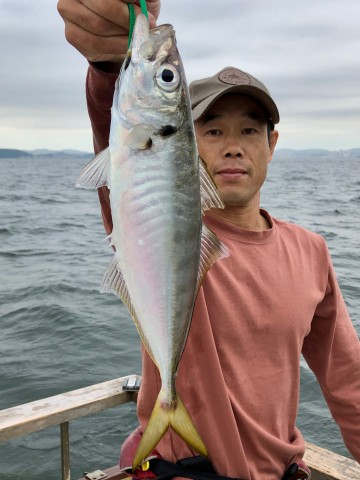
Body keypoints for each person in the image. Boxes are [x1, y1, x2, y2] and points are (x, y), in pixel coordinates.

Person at [57, 1, 360, 479]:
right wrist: (108, 63)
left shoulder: (311, 250)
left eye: (248, 130)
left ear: (272, 144)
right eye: (213, 130)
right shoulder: (166, 225)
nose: (233, 145)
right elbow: (120, 150)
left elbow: (348, 381)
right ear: (188, 143)